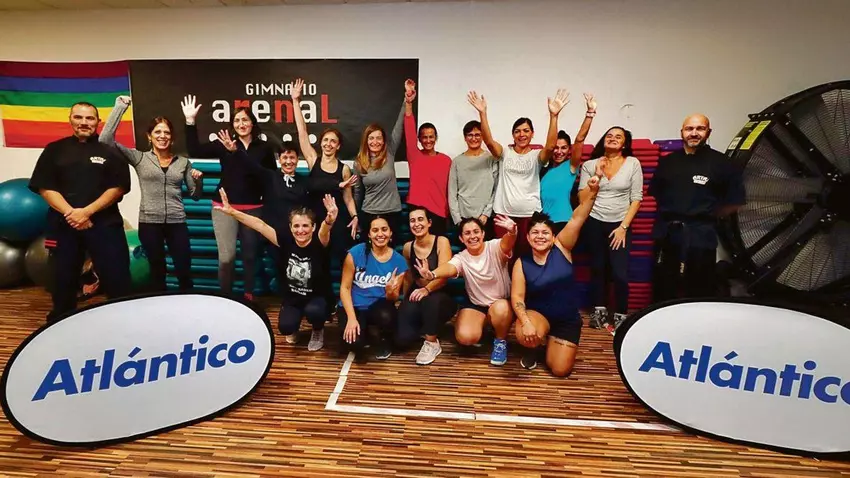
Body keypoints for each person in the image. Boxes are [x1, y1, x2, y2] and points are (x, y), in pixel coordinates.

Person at [28, 101, 132, 321]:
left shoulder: (111, 151)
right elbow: (45, 187)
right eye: (78, 117)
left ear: (98, 122)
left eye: (89, 118)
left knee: (117, 277)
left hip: (104, 225)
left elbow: (118, 188)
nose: (84, 122)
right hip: (64, 225)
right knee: (62, 278)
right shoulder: (54, 150)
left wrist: (86, 212)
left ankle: (123, 321)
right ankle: (62, 321)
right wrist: (72, 213)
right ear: (70, 119)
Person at [214, 188, 338, 352]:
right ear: (290, 227)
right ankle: (295, 326)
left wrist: (329, 221)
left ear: (313, 227)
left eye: (305, 226)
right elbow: (259, 225)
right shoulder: (285, 240)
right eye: (296, 226)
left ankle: (317, 329)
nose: (300, 230)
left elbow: (325, 230)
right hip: (293, 298)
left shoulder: (320, 241)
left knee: (315, 312)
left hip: (316, 298)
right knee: (286, 327)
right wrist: (232, 212)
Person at [100, 95, 203, 291]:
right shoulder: (139, 158)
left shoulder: (183, 162)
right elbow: (105, 140)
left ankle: (188, 303)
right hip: (149, 223)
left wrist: (199, 180)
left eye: (166, 132)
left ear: (172, 137)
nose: (162, 136)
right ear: (149, 136)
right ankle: (159, 305)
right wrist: (120, 107)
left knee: (184, 269)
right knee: (157, 271)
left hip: (177, 223)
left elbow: (195, 195)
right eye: (157, 132)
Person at [181, 95, 277, 300]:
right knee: (226, 258)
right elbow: (194, 149)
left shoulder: (264, 148)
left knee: (250, 256)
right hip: (223, 207)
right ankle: (225, 299)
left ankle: (249, 297)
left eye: (245, 120)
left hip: (253, 208)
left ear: (252, 123)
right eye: (237, 120)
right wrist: (190, 121)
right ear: (232, 125)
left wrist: (237, 153)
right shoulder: (223, 144)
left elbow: (268, 176)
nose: (241, 124)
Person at [649, 114, 745, 302]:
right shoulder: (668, 162)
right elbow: (656, 194)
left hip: (701, 234)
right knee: (664, 285)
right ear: (682, 132)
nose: (694, 133)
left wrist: (706, 216)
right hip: (667, 233)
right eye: (689, 129)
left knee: (699, 286)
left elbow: (735, 201)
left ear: (708, 132)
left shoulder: (722, 163)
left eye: (700, 128)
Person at [511, 175, 600, 376]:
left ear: (553, 237)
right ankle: (533, 347)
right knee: (525, 334)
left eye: (545, 233)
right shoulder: (521, 263)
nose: (540, 236)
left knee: (560, 370)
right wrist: (526, 322)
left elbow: (578, 218)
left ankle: (548, 344)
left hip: (566, 319)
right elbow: (517, 297)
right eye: (535, 233)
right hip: (538, 315)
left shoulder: (562, 247)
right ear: (528, 237)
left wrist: (593, 193)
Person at [467, 89, 570, 258]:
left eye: (526, 131)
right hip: (504, 214)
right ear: (513, 135)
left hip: (529, 215)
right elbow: (489, 142)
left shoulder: (536, 156)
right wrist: (482, 113)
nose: (522, 134)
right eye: (517, 131)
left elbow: (551, 147)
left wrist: (554, 116)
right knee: (503, 256)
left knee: (526, 257)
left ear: (532, 134)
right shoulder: (505, 153)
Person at [415, 215, 518, 366]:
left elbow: (507, 243)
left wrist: (512, 232)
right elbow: (450, 268)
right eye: (467, 233)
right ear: (461, 239)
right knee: (465, 337)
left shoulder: (494, 246)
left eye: (476, 232)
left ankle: (500, 341)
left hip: (500, 303)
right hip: (477, 305)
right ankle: (486, 325)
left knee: (501, 309)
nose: (472, 236)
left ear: (483, 234)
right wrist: (432, 274)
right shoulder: (461, 257)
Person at [578, 126, 644, 331]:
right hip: (594, 221)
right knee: (597, 268)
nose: (613, 139)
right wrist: (597, 177)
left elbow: (636, 198)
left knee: (619, 272)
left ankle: (621, 314)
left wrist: (623, 227)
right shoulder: (590, 165)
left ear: (624, 143)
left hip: (620, 224)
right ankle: (599, 311)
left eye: (618, 137)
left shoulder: (632, 163)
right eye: (609, 135)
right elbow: (582, 198)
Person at [290, 78, 359, 272]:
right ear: (321, 143)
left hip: (337, 220)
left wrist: (355, 216)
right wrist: (295, 101)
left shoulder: (344, 169)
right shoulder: (313, 159)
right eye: (326, 140)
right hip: (316, 219)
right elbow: (302, 132)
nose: (328, 144)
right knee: (317, 263)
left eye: (333, 141)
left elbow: (348, 198)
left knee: (342, 261)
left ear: (338, 146)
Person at [339, 215, 407, 362]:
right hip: (354, 306)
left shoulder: (399, 261)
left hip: (378, 307)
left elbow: (393, 298)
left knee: (387, 316)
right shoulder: (355, 253)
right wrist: (351, 318)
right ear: (369, 234)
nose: (380, 234)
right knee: (354, 344)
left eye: (384, 229)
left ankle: (383, 338)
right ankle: (365, 333)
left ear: (390, 233)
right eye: (375, 230)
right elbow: (345, 288)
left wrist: (390, 292)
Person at [397, 207, 457, 365]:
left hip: (440, 294)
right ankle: (426, 326)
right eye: (412, 221)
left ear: (429, 222)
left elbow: (444, 276)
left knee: (432, 302)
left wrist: (427, 288)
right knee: (402, 339)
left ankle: (432, 342)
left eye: (420, 219)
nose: (416, 224)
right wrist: (403, 301)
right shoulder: (408, 247)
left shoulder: (441, 241)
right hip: (418, 292)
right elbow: (409, 277)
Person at [353, 90, 407, 241]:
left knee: (390, 251)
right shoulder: (359, 162)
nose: (375, 142)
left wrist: (407, 101)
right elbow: (358, 193)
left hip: (392, 213)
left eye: (379, 138)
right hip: (369, 213)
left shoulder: (389, 153)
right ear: (366, 140)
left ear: (384, 141)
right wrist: (356, 216)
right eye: (371, 138)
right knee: (369, 250)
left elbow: (399, 127)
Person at [540, 93, 596, 234]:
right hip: (543, 223)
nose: (559, 151)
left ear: (569, 150)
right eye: (556, 148)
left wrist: (590, 114)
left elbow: (579, 140)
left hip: (563, 221)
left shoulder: (571, 166)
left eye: (564, 148)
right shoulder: (543, 168)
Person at [403, 80, 452, 237]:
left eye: (431, 137)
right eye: (424, 137)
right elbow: (409, 130)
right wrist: (409, 102)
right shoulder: (415, 156)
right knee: (418, 247)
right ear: (419, 139)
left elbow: (450, 189)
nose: (428, 140)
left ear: (436, 138)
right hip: (417, 210)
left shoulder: (446, 160)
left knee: (438, 247)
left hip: (439, 212)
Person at [448, 120, 499, 238]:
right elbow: (452, 192)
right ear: (465, 138)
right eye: (470, 135)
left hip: (486, 218)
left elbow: (496, 189)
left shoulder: (491, 159)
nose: (474, 138)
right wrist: (458, 220)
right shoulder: (457, 161)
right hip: (463, 218)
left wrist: (486, 214)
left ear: (483, 137)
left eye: (477, 135)